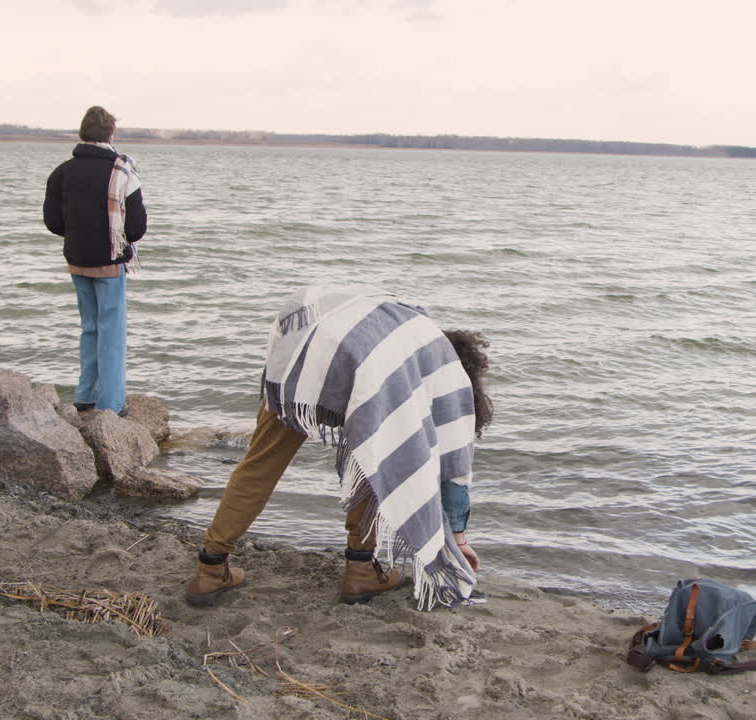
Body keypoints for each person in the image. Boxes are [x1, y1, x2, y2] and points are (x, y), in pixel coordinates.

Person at [185, 285, 494, 609]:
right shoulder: (447, 375)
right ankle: (360, 570)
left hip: (297, 346)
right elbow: (455, 464)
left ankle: (210, 568)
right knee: (380, 451)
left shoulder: (410, 325)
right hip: (357, 354)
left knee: (261, 464)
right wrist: (459, 539)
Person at [43, 105, 147, 416]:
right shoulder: (123, 172)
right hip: (110, 261)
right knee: (111, 333)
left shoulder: (62, 172)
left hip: (77, 259)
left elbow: (53, 222)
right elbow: (136, 227)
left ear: (82, 133)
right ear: (110, 134)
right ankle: (111, 404)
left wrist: (79, 235)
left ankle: (86, 395)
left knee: (90, 328)